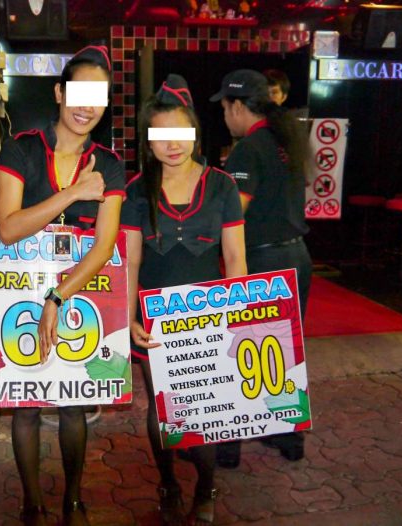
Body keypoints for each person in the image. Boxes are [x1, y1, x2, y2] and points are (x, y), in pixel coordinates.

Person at [0, 45, 125, 526]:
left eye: (99, 96)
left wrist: (57, 296)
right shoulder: (22, 148)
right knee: (25, 406)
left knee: (73, 403)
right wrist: (72, 193)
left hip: (76, 296)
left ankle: (73, 498)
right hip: (14, 290)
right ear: (59, 92)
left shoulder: (109, 165)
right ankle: (31, 502)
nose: (87, 105)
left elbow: (104, 247)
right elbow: (7, 228)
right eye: (80, 92)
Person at [122, 74, 247, 526]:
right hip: (154, 321)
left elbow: (235, 258)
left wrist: (238, 316)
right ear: (149, 141)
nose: (172, 145)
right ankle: (167, 482)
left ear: (194, 133)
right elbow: (131, 261)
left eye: (181, 133)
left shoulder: (222, 187)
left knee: (204, 412)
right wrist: (129, 313)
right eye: (161, 135)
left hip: (207, 318)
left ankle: (206, 484)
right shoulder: (136, 191)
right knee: (161, 411)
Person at [210, 69, 312, 467]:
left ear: (238, 106)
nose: (223, 117)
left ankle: (229, 448)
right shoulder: (286, 140)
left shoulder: (248, 149)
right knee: (283, 353)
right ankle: (289, 439)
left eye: (224, 108)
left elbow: (235, 212)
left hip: (262, 262)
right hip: (296, 257)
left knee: (243, 351)